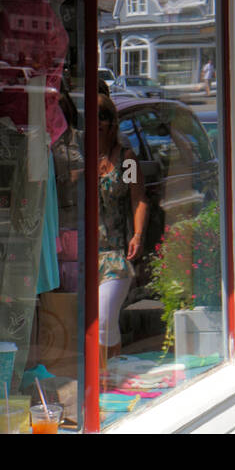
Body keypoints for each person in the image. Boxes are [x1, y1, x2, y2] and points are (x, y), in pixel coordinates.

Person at [97, 94, 149, 372]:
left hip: (114, 254)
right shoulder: (80, 157)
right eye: (92, 117)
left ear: (112, 122)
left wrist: (137, 235)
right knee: (97, 323)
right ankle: (110, 373)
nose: (98, 123)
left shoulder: (125, 160)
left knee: (104, 316)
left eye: (103, 116)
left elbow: (138, 199)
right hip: (81, 255)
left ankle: (105, 374)